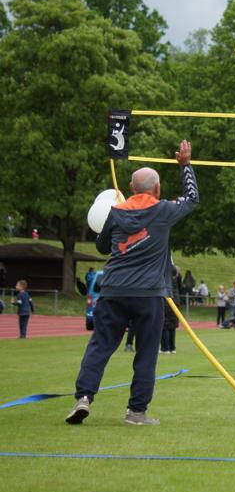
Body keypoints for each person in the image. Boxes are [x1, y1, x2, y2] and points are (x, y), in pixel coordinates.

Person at [65, 140, 198, 426]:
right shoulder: (163, 210)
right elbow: (192, 198)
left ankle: (83, 398)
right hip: (148, 294)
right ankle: (136, 412)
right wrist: (185, 165)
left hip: (113, 291)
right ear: (157, 189)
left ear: (132, 187)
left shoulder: (116, 212)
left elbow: (102, 247)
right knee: (146, 352)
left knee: (100, 346)